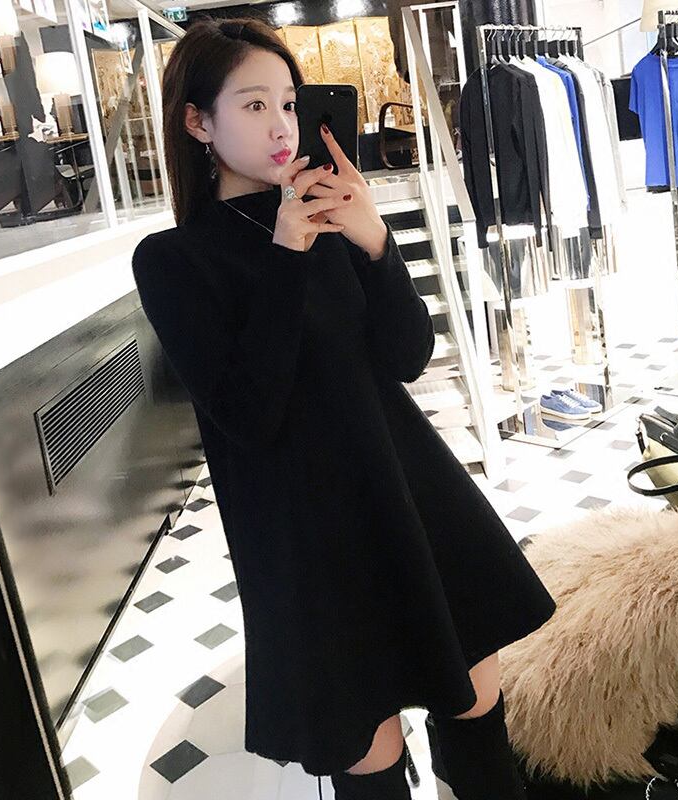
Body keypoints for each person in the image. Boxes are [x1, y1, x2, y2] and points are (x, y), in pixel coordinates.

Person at [131, 15, 556, 800]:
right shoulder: (172, 260)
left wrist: (375, 242)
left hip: (410, 493)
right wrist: (286, 253)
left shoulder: (327, 218)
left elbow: (406, 357)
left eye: (289, 104)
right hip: (310, 540)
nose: (281, 125)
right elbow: (249, 415)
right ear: (197, 122)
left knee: (478, 717)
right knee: (371, 759)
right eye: (254, 105)